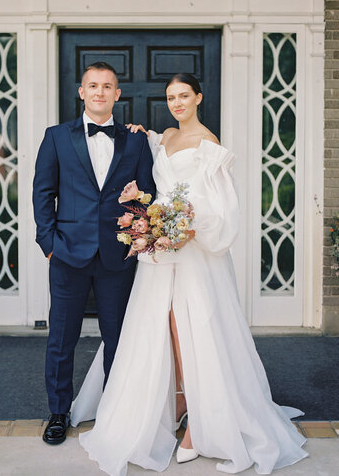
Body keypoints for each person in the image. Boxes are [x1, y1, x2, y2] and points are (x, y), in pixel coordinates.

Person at [70, 72, 309, 475]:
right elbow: (150, 167)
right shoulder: (163, 136)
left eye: (184, 96)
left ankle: (201, 419)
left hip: (195, 253)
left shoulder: (210, 145)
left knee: (191, 326)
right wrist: (155, 224)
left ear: (199, 97)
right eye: (171, 97)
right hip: (161, 253)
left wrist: (186, 230)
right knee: (159, 326)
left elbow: (223, 208)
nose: (177, 103)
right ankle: (178, 401)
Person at [32, 61, 156, 445]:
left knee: (118, 337)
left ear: (118, 95)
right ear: (81, 92)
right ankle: (58, 412)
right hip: (67, 254)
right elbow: (43, 193)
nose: (100, 92)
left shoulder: (135, 141)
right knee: (62, 338)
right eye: (93, 85)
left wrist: (137, 238)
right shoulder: (56, 137)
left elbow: (147, 196)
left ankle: (115, 412)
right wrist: (49, 245)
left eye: (107, 86)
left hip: (117, 256)